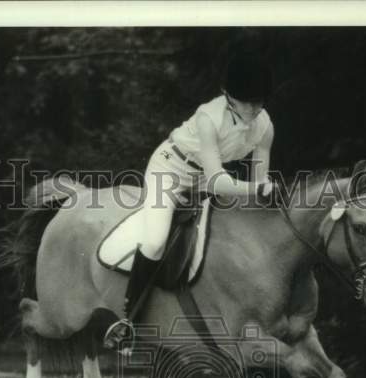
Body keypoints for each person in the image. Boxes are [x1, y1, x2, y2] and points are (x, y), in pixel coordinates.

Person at [102, 50, 277, 350]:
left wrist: (265, 189)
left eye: (258, 101)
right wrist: (256, 189)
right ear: (228, 95)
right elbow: (219, 182)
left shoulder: (265, 125)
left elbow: (259, 179)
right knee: (156, 241)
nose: (254, 109)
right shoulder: (209, 117)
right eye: (247, 101)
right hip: (170, 170)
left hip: (205, 177)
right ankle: (127, 319)